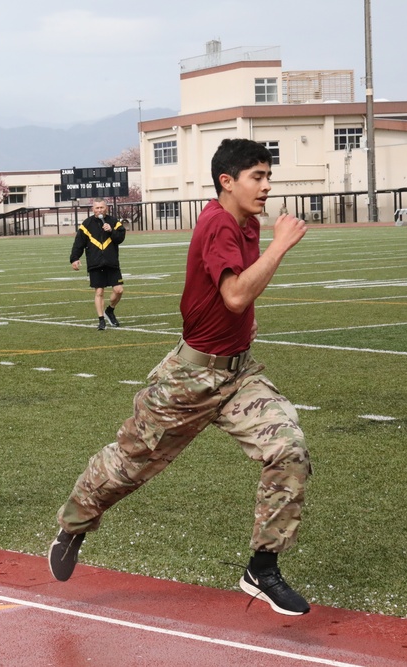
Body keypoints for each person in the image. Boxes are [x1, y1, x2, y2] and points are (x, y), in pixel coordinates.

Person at [48, 139, 311, 616]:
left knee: (289, 449)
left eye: (269, 176)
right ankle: (74, 523)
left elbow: (235, 304)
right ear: (227, 181)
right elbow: (234, 295)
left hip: (238, 374)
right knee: (129, 465)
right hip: (190, 378)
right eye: (258, 176)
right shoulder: (216, 223)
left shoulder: (247, 223)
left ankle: (263, 565)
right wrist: (281, 246)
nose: (268, 186)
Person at [70, 199, 125, 330]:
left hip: (111, 262)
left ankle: (110, 310)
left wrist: (111, 231)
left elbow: (120, 239)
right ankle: (101, 320)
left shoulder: (114, 222)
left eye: (102, 207)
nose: (99, 210)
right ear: (92, 209)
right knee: (99, 291)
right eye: (97, 208)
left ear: (106, 208)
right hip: (95, 262)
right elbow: (79, 243)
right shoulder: (86, 224)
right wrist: (74, 258)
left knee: (119, 290)